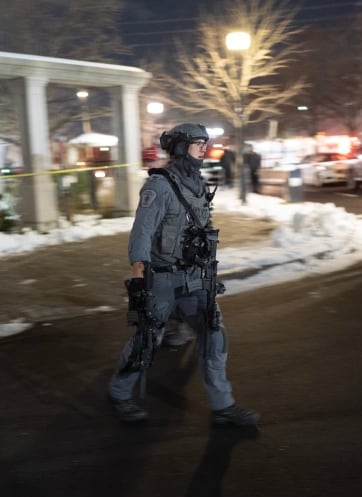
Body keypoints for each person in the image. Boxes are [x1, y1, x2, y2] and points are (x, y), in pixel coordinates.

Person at [107, 122, 260, 427]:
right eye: (198, 143)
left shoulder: (198, 183)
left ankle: (223, 405)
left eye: (206, 143)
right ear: (180, 147)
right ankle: (120, 393)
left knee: (214, 336)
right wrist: (138, 270)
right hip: (162, 277)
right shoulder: (159, 186)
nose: (204, 148)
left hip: (194, 276)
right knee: (148, 339)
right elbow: (143, 229)